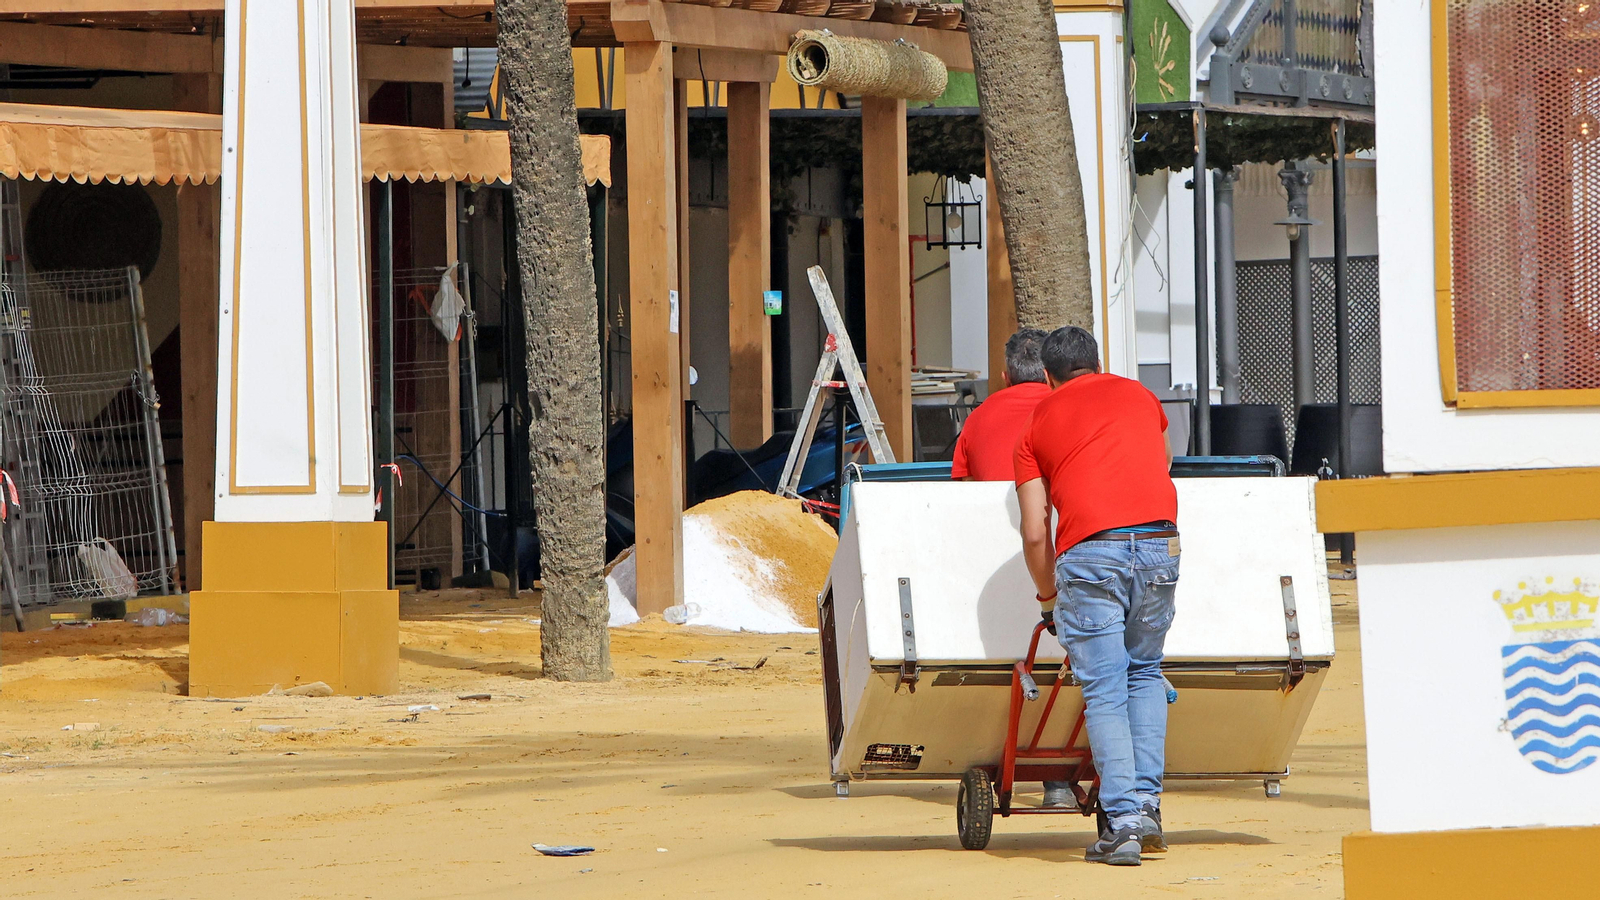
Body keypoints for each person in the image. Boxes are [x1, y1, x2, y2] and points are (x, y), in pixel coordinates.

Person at [1014, 325, 1178, 867]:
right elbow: (1163, 463)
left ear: (1047, 376)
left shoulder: (1036, 424)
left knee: (1105, 690)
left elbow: (1034, 531)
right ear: (1098, 364)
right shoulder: (1142, 397)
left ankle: (1122, 824)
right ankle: (1148, 809)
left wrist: (1047, 599)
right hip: (1160, 543)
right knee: (1145, 672)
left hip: (1090, 551)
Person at [950, 328, 1050, 481]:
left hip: (993, 496)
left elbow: (967, 484)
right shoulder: (1067, 408)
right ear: (1049, 375)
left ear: (1006, 378)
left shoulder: (976, 417)